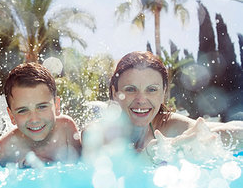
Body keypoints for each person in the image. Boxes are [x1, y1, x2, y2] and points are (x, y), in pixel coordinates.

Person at [83, 51, 242, 162]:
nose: (141, 100)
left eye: (152, 90)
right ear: (115, 93)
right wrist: (155, 153)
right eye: (130, 89)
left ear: (164, 93)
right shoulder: (98, 133)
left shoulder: (172, 126)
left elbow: (219, 133)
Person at [0, 62, 81, 167]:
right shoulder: (2, 151)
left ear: (56, 106)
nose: (34, 119)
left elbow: (82, 165)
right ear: (11, 116)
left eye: (42, 107)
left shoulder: (66, 129)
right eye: (23, 110)